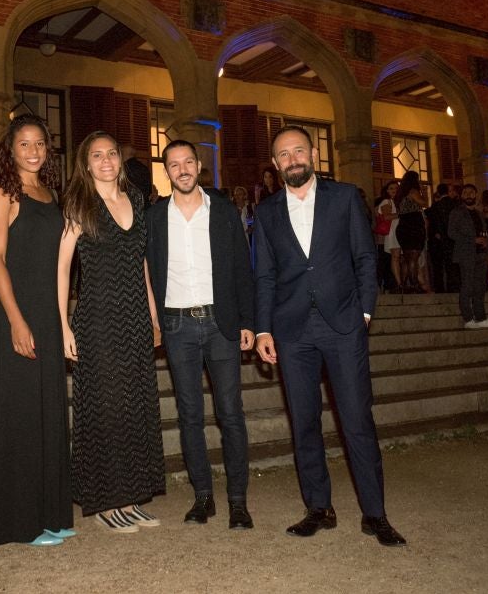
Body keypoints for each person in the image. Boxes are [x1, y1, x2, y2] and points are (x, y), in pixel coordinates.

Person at [253, 126, 406, 547]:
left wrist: (364, 312)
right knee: (304, 423)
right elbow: (264, 275)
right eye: (284, 154)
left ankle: (375, 514)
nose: (293, 159)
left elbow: (365, 257)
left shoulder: (345, 197)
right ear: (276, 164)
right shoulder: (266, 212)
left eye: (299, 151)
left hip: (343, 325)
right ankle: (318, 508)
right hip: (292, 330)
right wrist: (263, 328)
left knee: (357, 420)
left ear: (314, 154)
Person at [57, 130, 165, 533]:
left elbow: (142, 263)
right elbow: (62, 268)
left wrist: (153, 316)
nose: (106, 161)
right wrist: (63, 323)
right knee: (105, 409)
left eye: (112, 154)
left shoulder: (135, 199)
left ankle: (131, 496)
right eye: (97, 155)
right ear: (86, 164)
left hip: (135, 316)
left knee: (136, 405)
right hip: (98, 318)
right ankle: (106, 501)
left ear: (120, 159)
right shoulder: (79, 203)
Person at [146, 140, 256, 529]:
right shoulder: (155, 217)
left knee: (231, 413)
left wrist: (248, 321)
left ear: (198, 165)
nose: (182, 169)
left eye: (188, 162)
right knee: (190, 414)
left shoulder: (223, 211)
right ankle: (203, 497)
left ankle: (238, 502)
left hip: (220, 323)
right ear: (167, 172)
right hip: (177, 326)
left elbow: (242, 267)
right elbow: (146, 268)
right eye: (174, 164)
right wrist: (154, 319)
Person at [0, 115, 73, 547]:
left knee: (48, 411)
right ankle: (19, 522)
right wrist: (16, 320)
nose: (33, 151)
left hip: (47, 314)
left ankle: (50, 513)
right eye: (24, 144)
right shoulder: (4, 192)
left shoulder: (51, 194)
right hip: (15, 312)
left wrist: (61, 320)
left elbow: (60, 262)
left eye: (39, 143)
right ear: (10, 150)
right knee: (19, 414)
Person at [449, 184, 488, 329]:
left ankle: (481, 317)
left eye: (471, 192)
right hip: (466, 253)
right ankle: (468, 318)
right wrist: (473, 240)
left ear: (476, 195)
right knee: (467, 285)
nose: (468, 195)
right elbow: (451, 233)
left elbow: (484, 231)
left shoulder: (479, 213)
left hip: (481, 254)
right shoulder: (457, 212)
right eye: (465, 192)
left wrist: (486, 241)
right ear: (461, 196)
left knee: (480, 287)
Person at [394, 172, 427, 293]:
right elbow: (424, 203)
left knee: (407, 259)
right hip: (413, 225)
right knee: (413, 258)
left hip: (403, 225)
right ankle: (414, 285)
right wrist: (423, 191)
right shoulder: (413, 191)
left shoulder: (400, 195)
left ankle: (404, 285)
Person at [426, 183, 459, 293]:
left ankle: (439, 288)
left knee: (438, 266)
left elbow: (432, 223)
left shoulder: (435, 206)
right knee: (452, 265)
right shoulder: (455, 205)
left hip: (437, 240)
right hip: (452, 239)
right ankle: (453, 287)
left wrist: (436, 233)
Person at [376, 180, 402, 292]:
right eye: (391, 188)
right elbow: (386, 217)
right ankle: (398, 284)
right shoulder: (386, 201)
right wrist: (402, 214)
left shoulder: (395, 202)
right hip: (392, 232)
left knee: (397, 258)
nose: (394, 190)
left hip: (397, 231)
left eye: (396, 188)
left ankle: (398, 283)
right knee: (395, 257)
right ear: (386, 190)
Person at [122, 144, 153, 208]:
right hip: (145, 206)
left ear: (124, 154)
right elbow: (149, 190)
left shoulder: (124, 168)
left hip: (128, 207)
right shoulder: (144, 168)